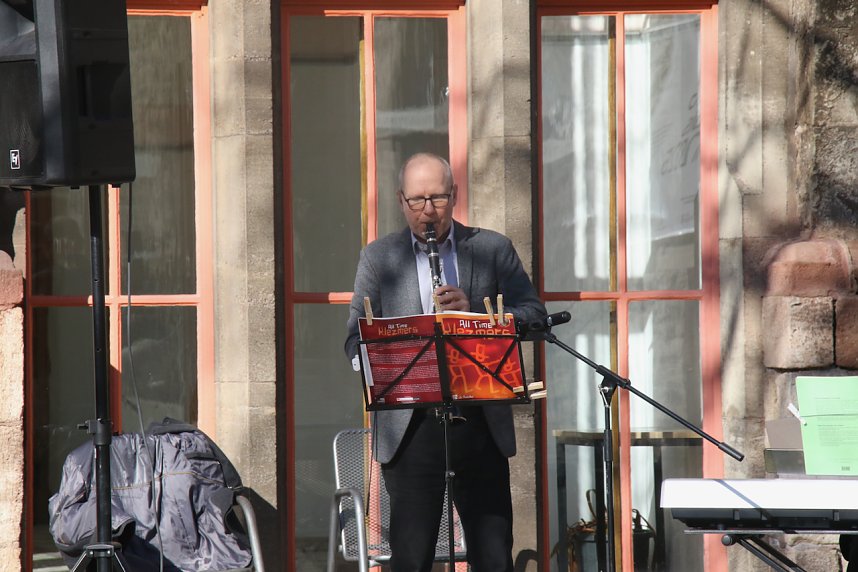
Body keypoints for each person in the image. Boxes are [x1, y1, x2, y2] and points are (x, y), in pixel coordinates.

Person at [345, 152, 546, 572]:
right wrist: (377, 364)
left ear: (453, 197)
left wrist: (474, 315)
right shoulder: (379, 258)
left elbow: (534, 314)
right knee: (411, 556)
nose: (428, 211)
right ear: (401, 201)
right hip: (411, 427)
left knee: (492, 554)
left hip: (479, 422)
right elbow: (354, 337)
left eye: (437, 198)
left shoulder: (492, 249)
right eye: (417, 200)